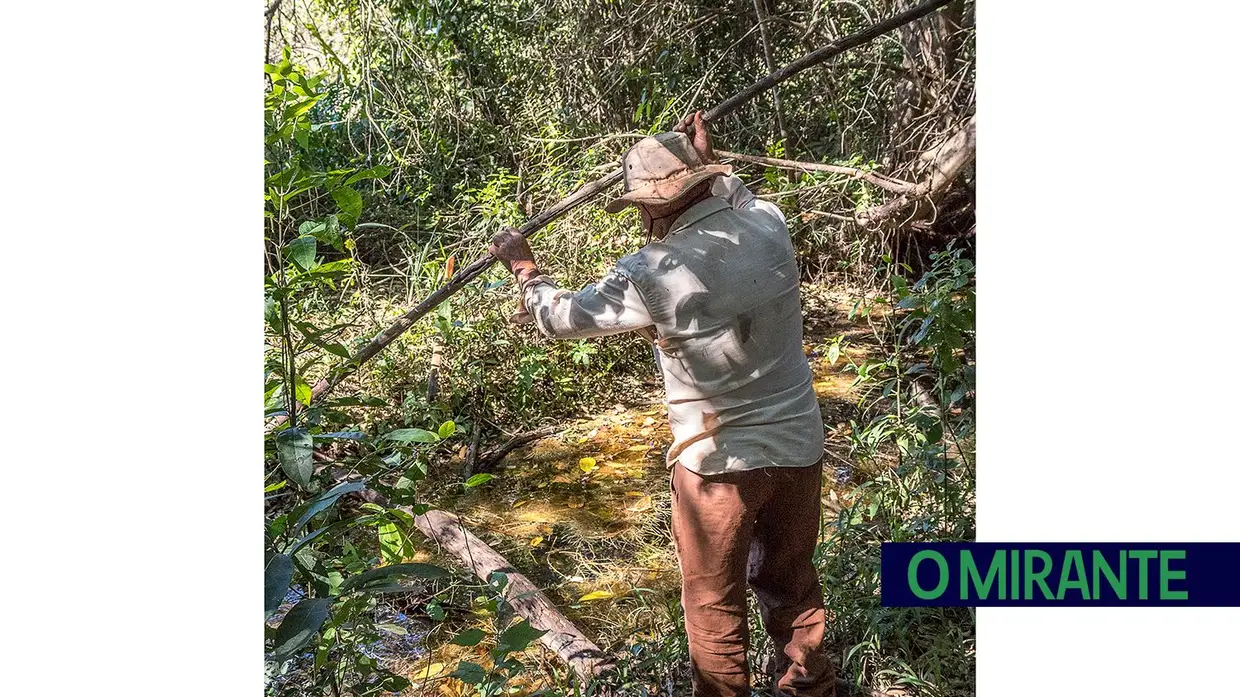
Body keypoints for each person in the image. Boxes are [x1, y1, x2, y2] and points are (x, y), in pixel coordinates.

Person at [489, 111, 833, 697]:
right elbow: (740, 200)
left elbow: (562, 317)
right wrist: (709, 160)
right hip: (801, 445)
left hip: (718, 464)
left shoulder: (650, 272)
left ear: (651, 207)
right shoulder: (768, 225)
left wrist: (525, 271)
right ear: (704, 181)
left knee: (713, 604)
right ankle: (811, 687)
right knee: (792, 583)